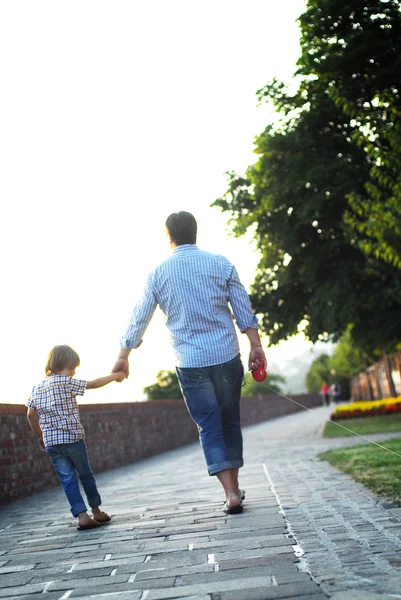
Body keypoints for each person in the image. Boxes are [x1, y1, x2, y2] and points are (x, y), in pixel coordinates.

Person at [112, 211, 266, 515]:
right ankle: (233, 490)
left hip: (190, 362)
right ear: (195, 232)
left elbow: (140, 315)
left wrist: (123, 355)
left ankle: (231, 493)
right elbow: (243, 310)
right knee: (229, 422)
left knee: (209, 427)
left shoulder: (158, 273)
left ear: (169, 236)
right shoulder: (221, 263)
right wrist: (256, 345)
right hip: (225, 356)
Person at [26, 344, 126, 530]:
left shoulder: (37, 388)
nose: (73, 372)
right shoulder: (66, 382)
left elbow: (30, 415)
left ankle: (82, 516)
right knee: (86, 476)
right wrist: (115, 376)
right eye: (71, 367)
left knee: (67, 480)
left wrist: (40, 436)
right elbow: (94, 384)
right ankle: (96, 512)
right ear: (60, 365)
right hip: (72, 440)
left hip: (52, 444)